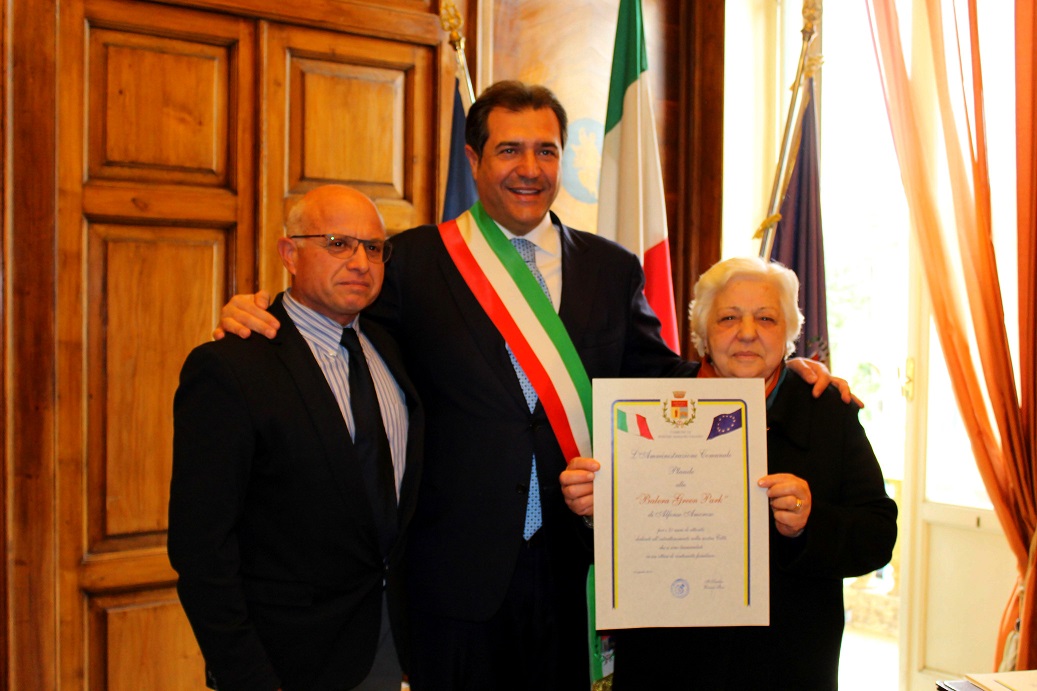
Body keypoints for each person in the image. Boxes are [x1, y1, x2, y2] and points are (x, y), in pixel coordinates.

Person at [216, 82, 851, 690]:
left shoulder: (610, 268)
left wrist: (772, 370)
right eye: (509, 150)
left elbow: (659, 378)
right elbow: (336, 322)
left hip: (576, 561)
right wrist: (262, 311)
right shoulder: (413, 261)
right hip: (454, 573)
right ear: (474, 160)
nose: (529, 168)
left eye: (546, 150)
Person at [560, 256, 897, 690]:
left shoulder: (827, 410)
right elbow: (600, 547)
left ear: (789, 333)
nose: (748, 333)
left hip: (787, 668)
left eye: (767, 318)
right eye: (729, 318)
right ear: (702, 333)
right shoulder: (644, 405)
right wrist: (590, 511)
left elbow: (877, 537)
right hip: (664, 666)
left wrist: (808, 524)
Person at [168, 185, 424, 691]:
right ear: (289, 254)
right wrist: (247, 676)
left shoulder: (393, 349)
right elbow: (202, 550)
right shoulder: (231, 367)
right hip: (286, 661)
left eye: (374, 248)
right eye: (337, 243)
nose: (360, 262)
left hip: (394, 643)